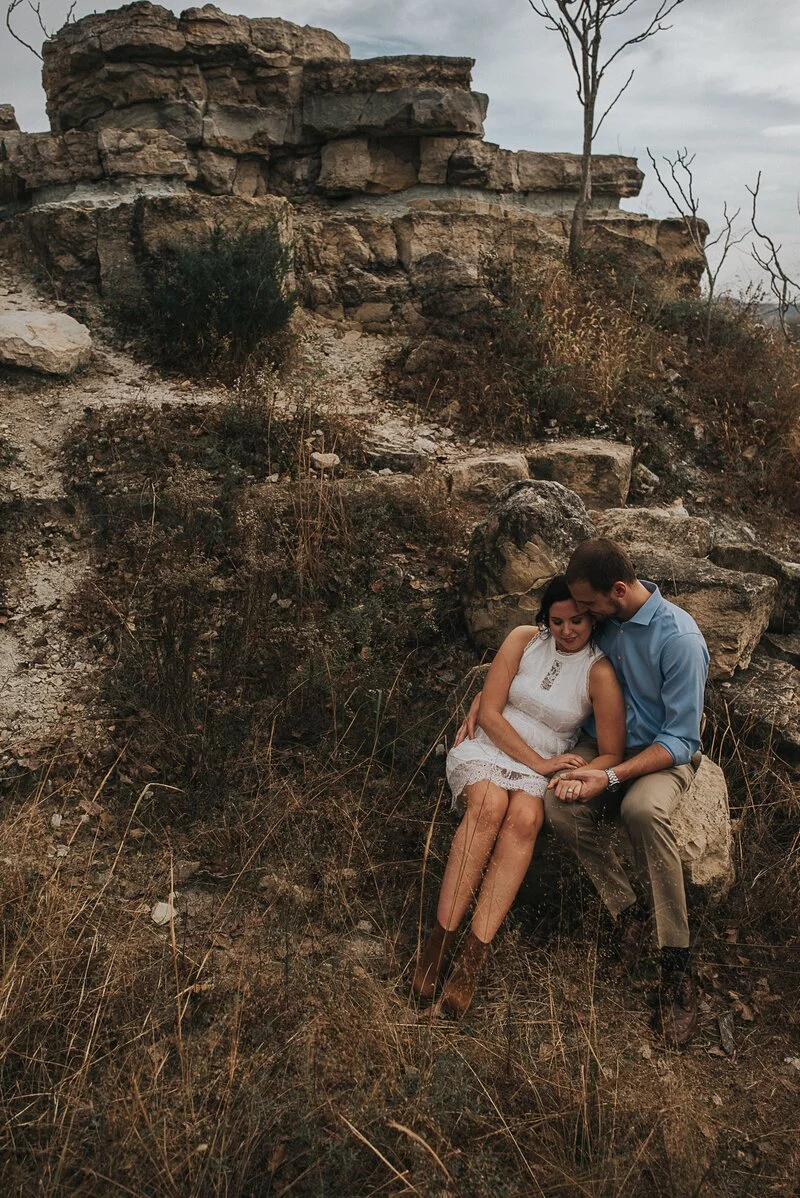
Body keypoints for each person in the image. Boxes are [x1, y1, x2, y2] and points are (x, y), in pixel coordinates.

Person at [455, 538, 710, 1047]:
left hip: (660, 756)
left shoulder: (679, 639)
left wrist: (610, 777)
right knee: (557, 803)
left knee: (641, 811)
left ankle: (677, 969)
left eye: (589, 607)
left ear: (616, 592)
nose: (582, 617)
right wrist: (487, 698)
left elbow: (682, 739)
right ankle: (628, 912)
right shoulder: (609, 616)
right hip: (605, 746)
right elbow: (548, 641)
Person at [412, 575, 625, 1018]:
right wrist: (538, 762)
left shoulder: (599, 671)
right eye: (557, 620)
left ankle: (472, 957)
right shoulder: (523, 639)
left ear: (593, 619)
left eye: (578, 621)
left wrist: (571, 770)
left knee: (524, 821)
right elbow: (489, 712)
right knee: (488, 807)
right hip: (492, 745)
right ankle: (437, 943)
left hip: (547, 761)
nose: (568, 630)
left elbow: (611, 751)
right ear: (544, 618)